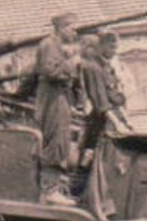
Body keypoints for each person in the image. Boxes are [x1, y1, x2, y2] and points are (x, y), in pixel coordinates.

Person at [34, 12, 79, 205]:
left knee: (62, 140)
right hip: (52, 97)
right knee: (55, 139)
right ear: (61, 28)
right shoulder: (48, 45)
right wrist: (72, 63)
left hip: (60, 95)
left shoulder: (57, 46)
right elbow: (51, 71)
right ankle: (49, 190)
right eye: (71, 27)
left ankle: (55, 187)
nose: (75, 32)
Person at [79, 30, 130, 168]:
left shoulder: (106, 66)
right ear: (101, 46)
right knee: (94, 161)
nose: (115, 51)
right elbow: (101, 103)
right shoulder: (93, 68)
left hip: (112, 116)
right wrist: (117, 124)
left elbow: (113, 95)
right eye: (111, 47)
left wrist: (124, 119)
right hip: (101, 120)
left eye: (116, 47)